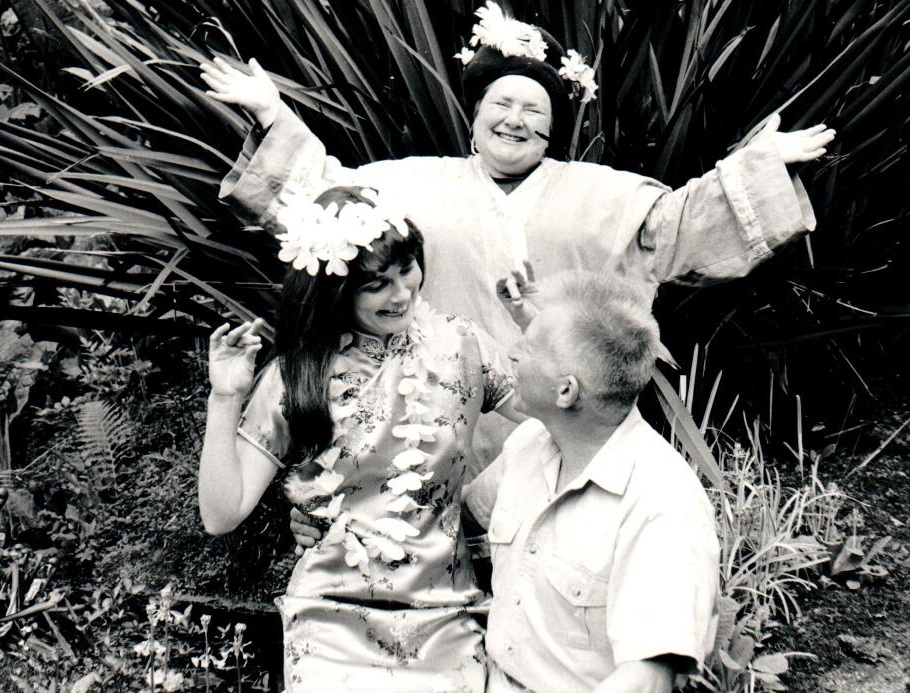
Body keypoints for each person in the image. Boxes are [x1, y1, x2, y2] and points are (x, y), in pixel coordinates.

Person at [199, 0, 835, 466]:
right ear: (473, 117)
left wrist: (758, 167)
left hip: (559, 411)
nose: (515, 119)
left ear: (552, 129)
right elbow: (324, 201)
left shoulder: (602, 193)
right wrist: (271, 112)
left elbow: (677, 228)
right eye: (500, 104)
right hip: (433, 413)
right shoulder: (410, 182)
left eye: (534, 109)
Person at [198, 184, 521, 693]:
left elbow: (567, 411)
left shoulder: (462, 344)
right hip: (330, 625)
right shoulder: (297, 376)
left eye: (407, 268)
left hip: (448, 618)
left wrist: (534, 322)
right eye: (377, 284)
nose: (402, 293)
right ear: (335, 287)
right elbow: (222, 514)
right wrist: (225, 397)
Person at [463, 270, 720, 693]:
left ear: (565, 391)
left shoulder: (663, 504)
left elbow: (647, 679)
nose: (511, 353)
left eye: (527, 347)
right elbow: (462, 518)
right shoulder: (531, 443)